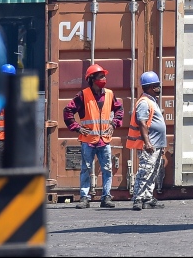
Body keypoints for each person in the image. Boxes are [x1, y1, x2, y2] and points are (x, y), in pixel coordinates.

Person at [64, 63, 123, 209]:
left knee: (107, 169)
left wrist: (114, 124)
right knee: (86, 169)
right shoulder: (83, 95)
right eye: (100, 77)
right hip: (88, 140)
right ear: (91, 79)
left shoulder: (109, 94)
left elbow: (119, 109)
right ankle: (84, 198)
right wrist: (77, 128)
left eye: (104, 76)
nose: (103, 79)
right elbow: (68, 111)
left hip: (104, 140)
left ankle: (106, 197)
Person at [126, 71, 167, 211]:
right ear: (149, 87)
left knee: (153, 172)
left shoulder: (151, 101)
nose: (159, 88)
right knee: (144, 172)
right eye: (156, 85)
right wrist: (148, 143)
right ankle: (138, 198)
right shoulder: (144, 102)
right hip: (149, 145)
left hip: (157, 144)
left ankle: (147, 198)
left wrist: (161, 145)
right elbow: (142, 123)